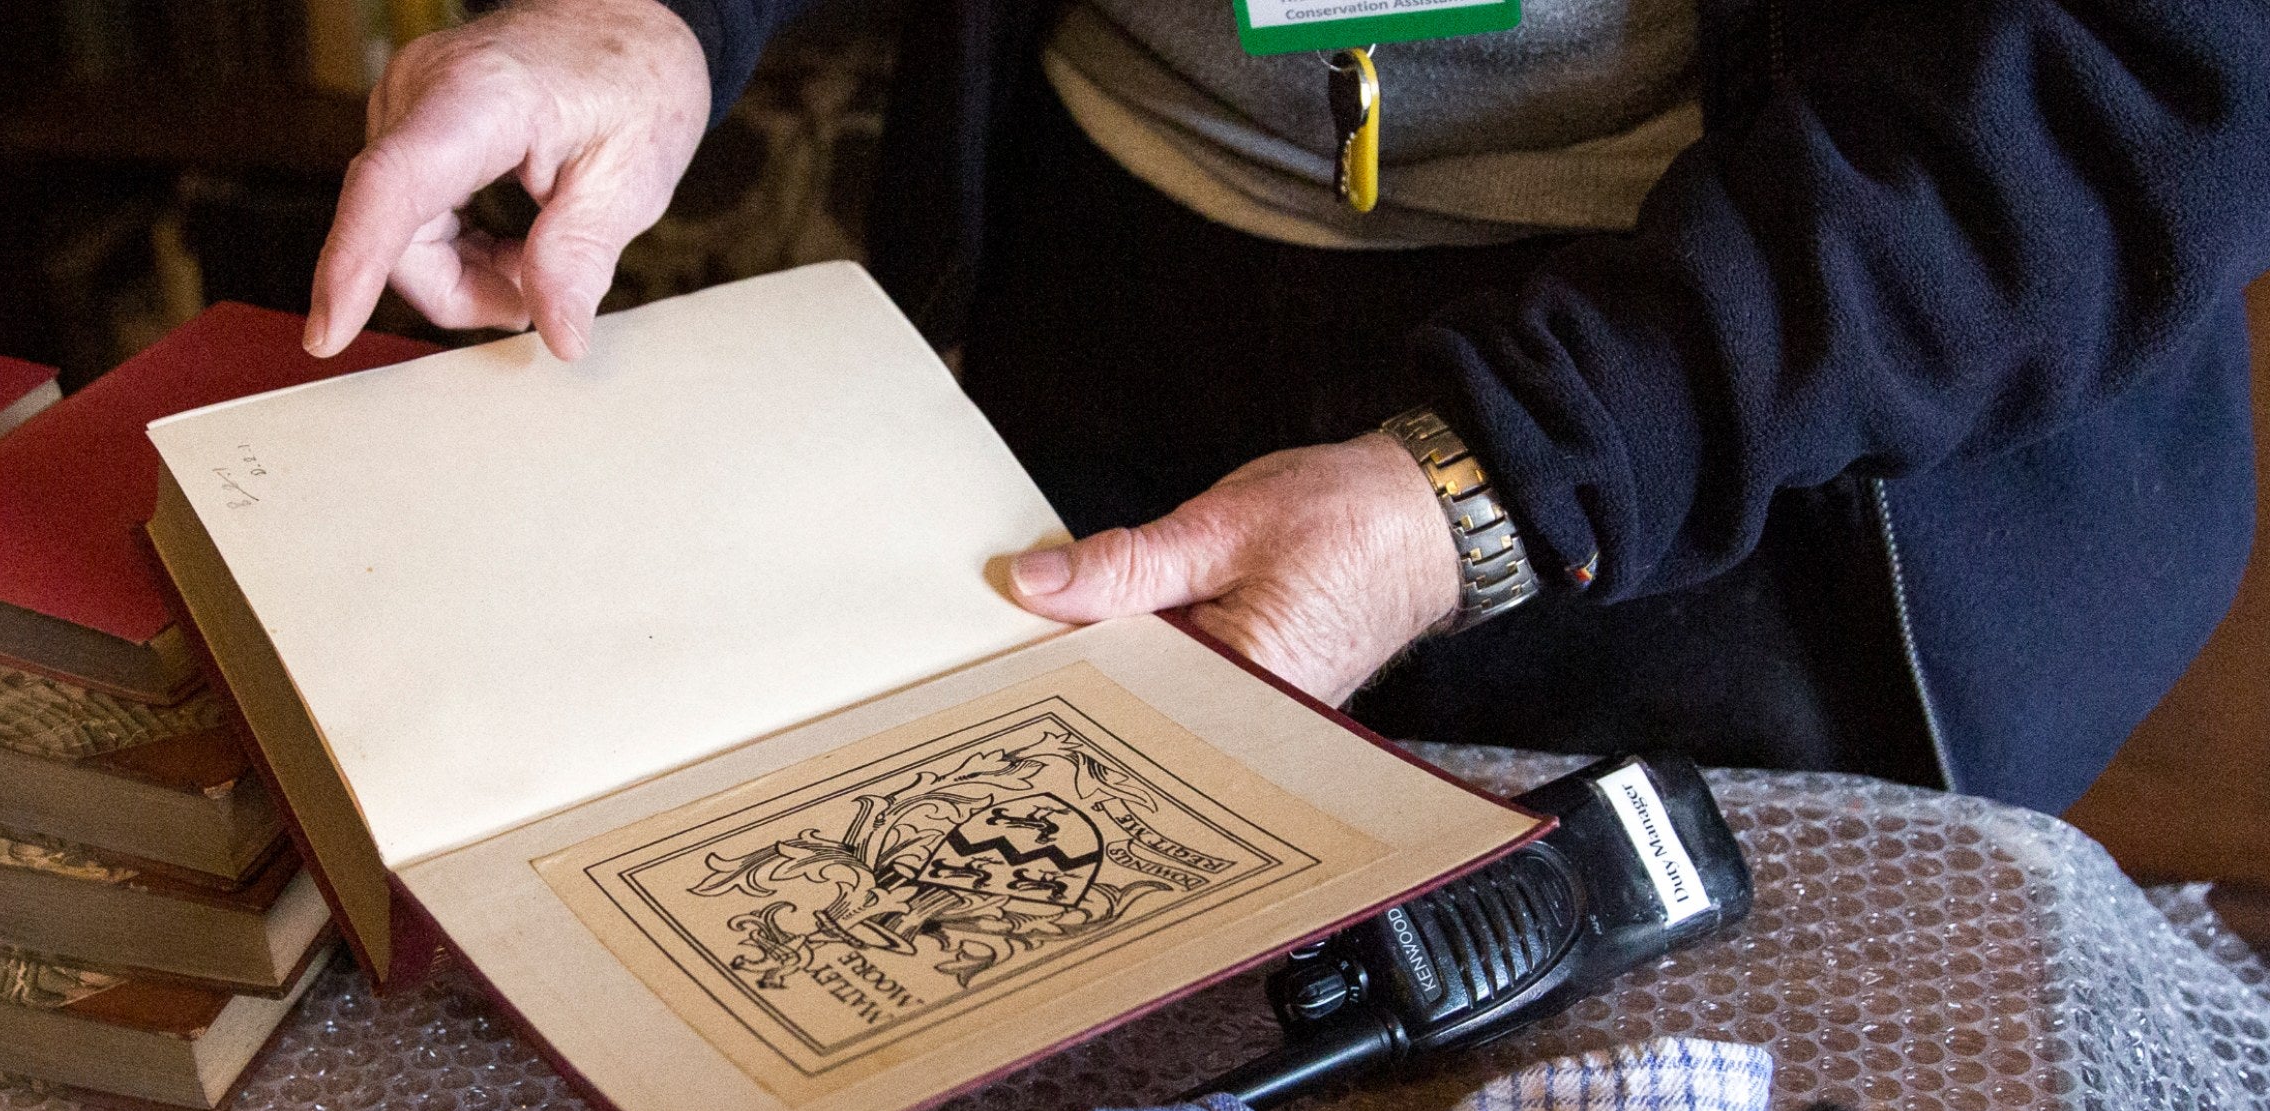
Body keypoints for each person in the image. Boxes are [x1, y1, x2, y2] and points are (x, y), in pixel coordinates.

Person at [300, 0, 2270, 814]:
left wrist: (1496, 484)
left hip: (1776, 428)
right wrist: (654, 16)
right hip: (1091, 329)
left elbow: (2125, 81)